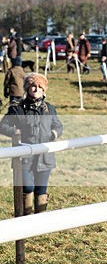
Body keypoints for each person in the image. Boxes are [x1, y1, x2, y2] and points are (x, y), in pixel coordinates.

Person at [0, 73, 63, 214]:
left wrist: (53, 134)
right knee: (27, 188)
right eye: (33, 86)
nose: (36, 90)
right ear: (27, 88)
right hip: (24, 158)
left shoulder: (50, 109)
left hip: (45, 157)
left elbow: (58, 126)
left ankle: (39, 223)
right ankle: (26, 220)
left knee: (41, 190)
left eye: (39, 87)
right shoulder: (17, 108)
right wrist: (15, 132)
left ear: (44, 90)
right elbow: (2, 125)